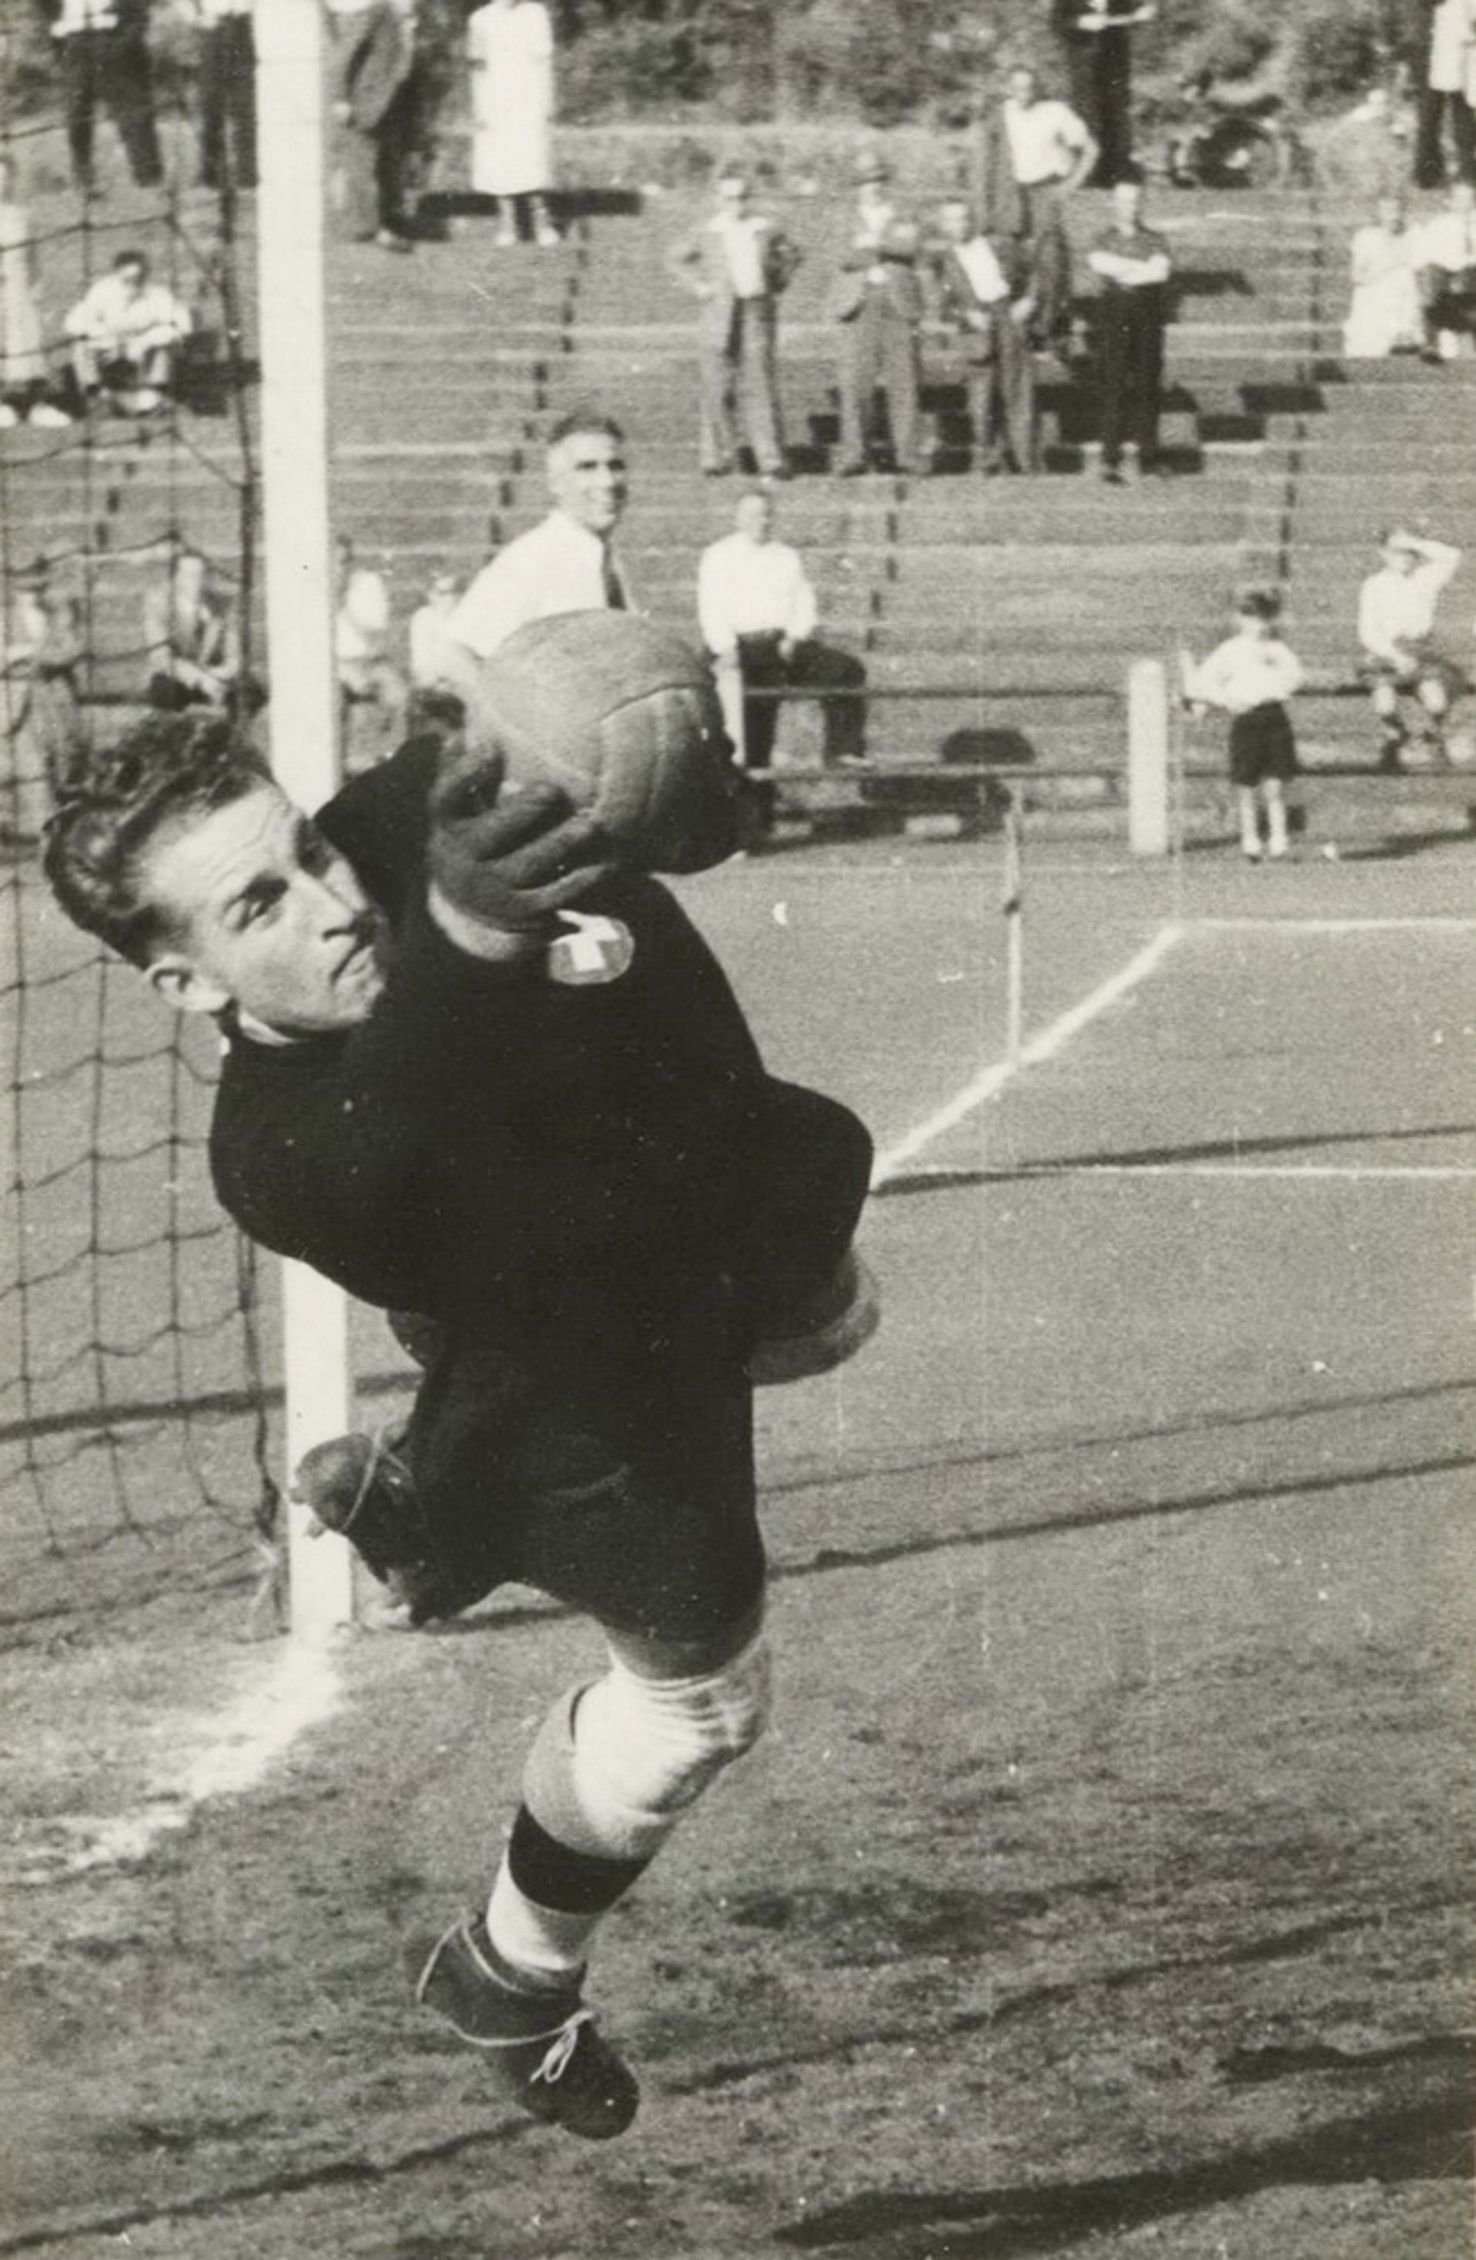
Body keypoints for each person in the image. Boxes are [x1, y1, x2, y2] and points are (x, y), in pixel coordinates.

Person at [41, 694, 875, 2142]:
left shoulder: (400, 824)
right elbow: (405, 1108)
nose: (331, 902)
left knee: (827, 1229)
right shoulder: (278, 1156)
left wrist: (656, 777)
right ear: (183, 985)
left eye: (308, 848)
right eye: (261, 905)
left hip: (693, 1201)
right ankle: (513, 1972)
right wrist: (486, 930)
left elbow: (532, 750)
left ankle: (433, 1497)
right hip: (586, 1366)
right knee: (700, 1710)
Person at [698, 489, 866, 832]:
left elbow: (804, 601)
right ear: (738, 517)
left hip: (782, 643)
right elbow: (710, 605)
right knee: (754, 731)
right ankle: (754, 822)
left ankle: (841, 749)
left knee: (846, 669)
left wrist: (794, 635)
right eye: (752, 513)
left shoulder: (786, 555)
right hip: (740, 647)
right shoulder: (719, 555)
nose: (760, 520)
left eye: (765, 513)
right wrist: (725, 647)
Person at [448, 412, 633, 663]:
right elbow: (455, 656)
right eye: (587, 467)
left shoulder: (605, 558)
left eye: (616, 466)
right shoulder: (534, 556)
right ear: (556, 483)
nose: (608, 481)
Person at [666, 171, 801, 481]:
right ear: (719, 199)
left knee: (760, 385)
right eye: (729, 198)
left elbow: (793, 254)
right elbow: (675, 259)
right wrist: (698, 286)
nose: (736, 204)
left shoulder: (764, 228)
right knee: (717, 386)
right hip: (719, 312)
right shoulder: (707, 230)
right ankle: (717, 457)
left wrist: (776, 283)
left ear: (750, 198)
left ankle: (770, 458)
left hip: (755, 310)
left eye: (742, 197)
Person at [974, 62, 1097, 354]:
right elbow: (984, 160)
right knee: (1012, 258)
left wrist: (1069, 185)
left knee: (1050, 258)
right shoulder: (1000, 113)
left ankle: (1050, 327)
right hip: (1011, 193)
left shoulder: (1055, 112)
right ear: (1008, 89)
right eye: (1016, 88)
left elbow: (1091, 149)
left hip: (1045, 189)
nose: (1023, 95)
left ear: (1037, 88)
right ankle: (1017, 331)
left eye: (1029, 88)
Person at [1185, 588, 1304, 862]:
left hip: (1274, 715)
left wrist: (1280, 677)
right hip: (1247, 718)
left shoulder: (1277, 649)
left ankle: (1278, 839)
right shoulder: (1231, 650)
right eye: (1250, 619)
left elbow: (1296, 677)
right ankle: (1250, 840)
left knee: (1275, 783)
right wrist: (1227, 700)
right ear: (1240, 619)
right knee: (1246, 783)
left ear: (1270, 621)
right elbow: (1205, 681)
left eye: (1263, 619)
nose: (1257, 626)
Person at [929, 195, 1038, 475]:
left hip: (1007, 317)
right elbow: (943, 307)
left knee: (1018, 389)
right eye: (952, 220)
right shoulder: (943, 262)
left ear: (972, 220)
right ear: (943, 225)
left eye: (964, 218)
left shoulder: (998, 245)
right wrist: (967, 315)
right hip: (977, 327)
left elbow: (1035, 271)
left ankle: (1024, 461)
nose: (960, 225)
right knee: (981, 397)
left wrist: (1028, 300)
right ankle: (987, 458)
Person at [831, 168, 929, 478]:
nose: (871, 188)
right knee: (856, 383)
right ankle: (855, 454)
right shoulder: (844, 217)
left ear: (886, 184)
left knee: (904, 382)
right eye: (865, 182)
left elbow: (912, 247)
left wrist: (873, 243)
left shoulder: (903, 214)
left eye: (877, 181)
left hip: (897, 302)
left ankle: (908, 454)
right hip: (859, 304)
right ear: (857, 187)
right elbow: (841, 255)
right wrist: (887, 247)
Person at [1087, 173, 1172, 483]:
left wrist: (1124, 270)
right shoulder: (1102, 238)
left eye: (1135, 201)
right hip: (1114, 312)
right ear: (1113, 204)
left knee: (1147, 384)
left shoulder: (1156, 239)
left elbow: (1159, 273)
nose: (1129, 207)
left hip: (1147, 313)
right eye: (1123, 200)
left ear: (1142, 204)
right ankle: (1110, 458)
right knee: (1114, 383)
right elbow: (1100, 264)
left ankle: (1148, 458)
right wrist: (1140, 269)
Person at [1357, 526, 1464, 768]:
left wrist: (1414, 543)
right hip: (1386, 653)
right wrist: (1394, 656)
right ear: (1383, 553)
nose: (1405, 557)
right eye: (1397, 551)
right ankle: (1396, 736)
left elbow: (1452, 556)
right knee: (1385, 705)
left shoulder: (1426, 578)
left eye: (1410, 552)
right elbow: (1367, 632)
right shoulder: (1374, 585)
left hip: (1420, 653)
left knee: (1437, 702)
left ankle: (1431, 737)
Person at [46, 0, 163, 196]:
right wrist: (58, 33)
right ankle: (84, 182)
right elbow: (45, 7)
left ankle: (148, 179)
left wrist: (127, 37)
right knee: (77, 114)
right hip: (75, 41)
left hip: (114, 36)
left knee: (134, 111)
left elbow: (139, 11)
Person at [1, 561, 83, 842]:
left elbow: (71, 651)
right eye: (25, 588)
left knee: (63, 765)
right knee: (33, 774)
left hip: (55, 698)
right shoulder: (3, 616)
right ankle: (46, 840)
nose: (31, 594)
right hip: (17, 702)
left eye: (37, 586)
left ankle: (60, 838)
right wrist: (24, 655)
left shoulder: (59, 612)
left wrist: (26, 654)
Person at [467, 0, 558, 247]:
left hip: (529, 98)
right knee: (499, 160)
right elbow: (477, 66)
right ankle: (508, 224)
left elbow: (544, 62)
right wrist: (479, 105)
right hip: (495, 98)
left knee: (532, 159)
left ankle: (542, 223)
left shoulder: (535, 14)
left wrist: (547, 100)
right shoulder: (479, 19)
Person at [333, 0, 420, 252]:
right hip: (367, 100)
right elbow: (346, 53)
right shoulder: (377, 11)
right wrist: (341, 98)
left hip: (394, 103)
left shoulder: (410, 21)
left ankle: (386, 223)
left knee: (388, 167)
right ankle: (369, 228)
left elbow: (406, 64)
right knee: (361, 165)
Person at [64, 250, 191, 418]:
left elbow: (183, 325)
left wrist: (146, 341)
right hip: (109, 348)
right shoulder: (102, 291)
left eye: (138, 279)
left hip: (143, 355)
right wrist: (108, 339)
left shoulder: (157, 295)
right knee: (80, 346)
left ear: (145, 276)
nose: (132, 285)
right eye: (126, 280)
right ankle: (96, 399)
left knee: (165, 347)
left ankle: (158, 398)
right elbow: (73, 323)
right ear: (116, 275)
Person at [1050, 0, 1156, 188]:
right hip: (1084, 68)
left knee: (1115, 114)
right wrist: (1080, 22)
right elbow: (1056, 22)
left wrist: (1146, 12)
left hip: (1115, 66)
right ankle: (1087, 174)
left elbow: (1142, 9)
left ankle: (1113, 173)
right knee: (1087, 116)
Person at [0, 159, 72, 432]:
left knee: (29, 345)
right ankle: (4, 405)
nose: (1, 183)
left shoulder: (22, 215)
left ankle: (37, 406)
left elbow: (32, 257)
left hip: (19, 287)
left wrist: (36, 287)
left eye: (5, 177)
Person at [144, 545, 251, 715]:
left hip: (214, 675)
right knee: (163, 688)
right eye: (189, 575)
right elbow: (161, 657)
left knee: (250, 692)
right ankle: (172, 736)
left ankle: (232, 736)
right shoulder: (159, 604)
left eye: (201, 574)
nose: (196, 580)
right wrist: (200, 679)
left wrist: (219, 674)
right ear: (176, 578)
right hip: (179, 677)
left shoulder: (221, 605)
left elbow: (235, 656)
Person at [336, 536, 407, 763]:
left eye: (344, 561)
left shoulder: (367, 583)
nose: (340, 568)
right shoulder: (308, 585)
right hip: (330, 664)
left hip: (370, 661)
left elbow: (376, 633)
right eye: (334, 562)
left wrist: (342, 600)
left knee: (399, 693)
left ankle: (392, 757)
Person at [187, 0, 258, 194]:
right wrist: (196, 18)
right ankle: (211, 176)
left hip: (243, 27)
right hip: (212, 30)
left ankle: (247, 175)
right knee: (211, 104)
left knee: (245, 105)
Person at [1343, 196, 1425, 359]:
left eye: (1397, 210)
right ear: (1378, 214)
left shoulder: (1411, 235)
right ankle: (1387, 338)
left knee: (1405, 275)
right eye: (1387, 211)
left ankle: (1403, 335)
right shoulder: (1366, 237)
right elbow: (1356, 276)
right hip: (1375, 291)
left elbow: (1420, 269)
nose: (1393, 216)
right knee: (1397, 277)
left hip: (1404, 293)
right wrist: (1384, 271)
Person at [1410, 0, 1476, 189]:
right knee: (1429, 113)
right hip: (1432, 43)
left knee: (1464, 113)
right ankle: (1428, 173)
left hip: (1461, 41)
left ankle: (1467, 172)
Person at [1412, 177, 1476, 358]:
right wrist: (1450, 270)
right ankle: (1431, 344)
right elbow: (1423, 258)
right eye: (1461, 199)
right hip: (1447, 284)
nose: (1466, 204)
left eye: (1471, 199)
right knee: (1431, 273)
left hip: (1472, 281)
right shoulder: (1438, 225)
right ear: (1450, 202)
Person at [408, 569, 464, 690]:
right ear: (431, 595)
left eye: (455, 591)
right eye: (443, 593)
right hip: (436, 687)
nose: (451, 598)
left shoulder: (464, 617)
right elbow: (421, 664)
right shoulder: (424, 618)